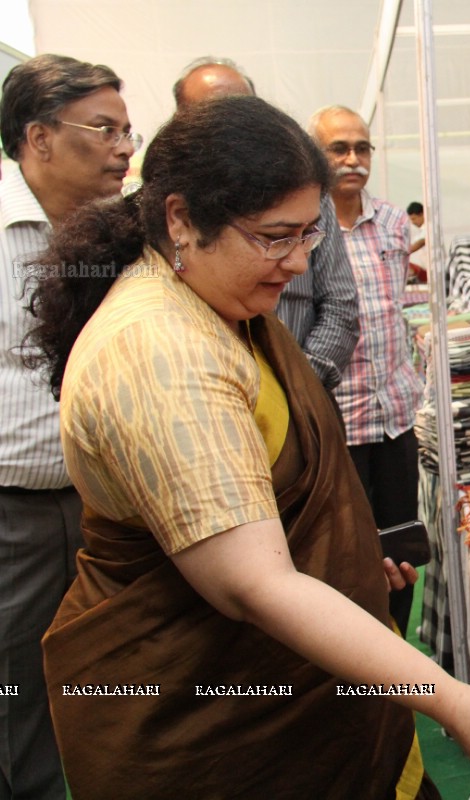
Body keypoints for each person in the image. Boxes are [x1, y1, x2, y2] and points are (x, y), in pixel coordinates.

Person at [24, 95, 470, 798]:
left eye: (310, 236)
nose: (299, 264)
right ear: (181, 220)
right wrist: (449, 697)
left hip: (300, 695)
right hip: (214, 727)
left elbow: (269, 494)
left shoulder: (220, 306)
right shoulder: (158, 352)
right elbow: (258, 583)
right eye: (276, 238)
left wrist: (341, 547)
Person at [0, 53, 138, 800]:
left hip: (110, 506)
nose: (123, 148)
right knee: (20, 686)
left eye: (127, 130)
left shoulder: (127, 239)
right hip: (17, 512)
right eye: (103, 129)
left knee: (113, 669)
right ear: (39, 139)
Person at [309, 105, 426, 636]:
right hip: (342, 422)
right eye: (339, 148)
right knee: (353, 552)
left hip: (395, 415)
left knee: (401, 544)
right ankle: (360, 656)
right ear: (317, 154)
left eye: (362, 148)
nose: (353, 159)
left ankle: (399, 645)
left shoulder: (395, 222)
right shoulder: (306, 227)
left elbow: (397, 307)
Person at [175, 56, 359, 389]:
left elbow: (340, 305)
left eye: (303, 237)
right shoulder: (173, 213)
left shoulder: (307, 192)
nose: (296, 262)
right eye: (276, 237)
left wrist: (294, 389)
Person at [406, 201, 427, 283]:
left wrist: (401, 253)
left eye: (414, 219)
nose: (413, 222)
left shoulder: (429, 229)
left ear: (422, 214)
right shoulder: (421, 232)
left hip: (428, 271)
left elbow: (420, 243)